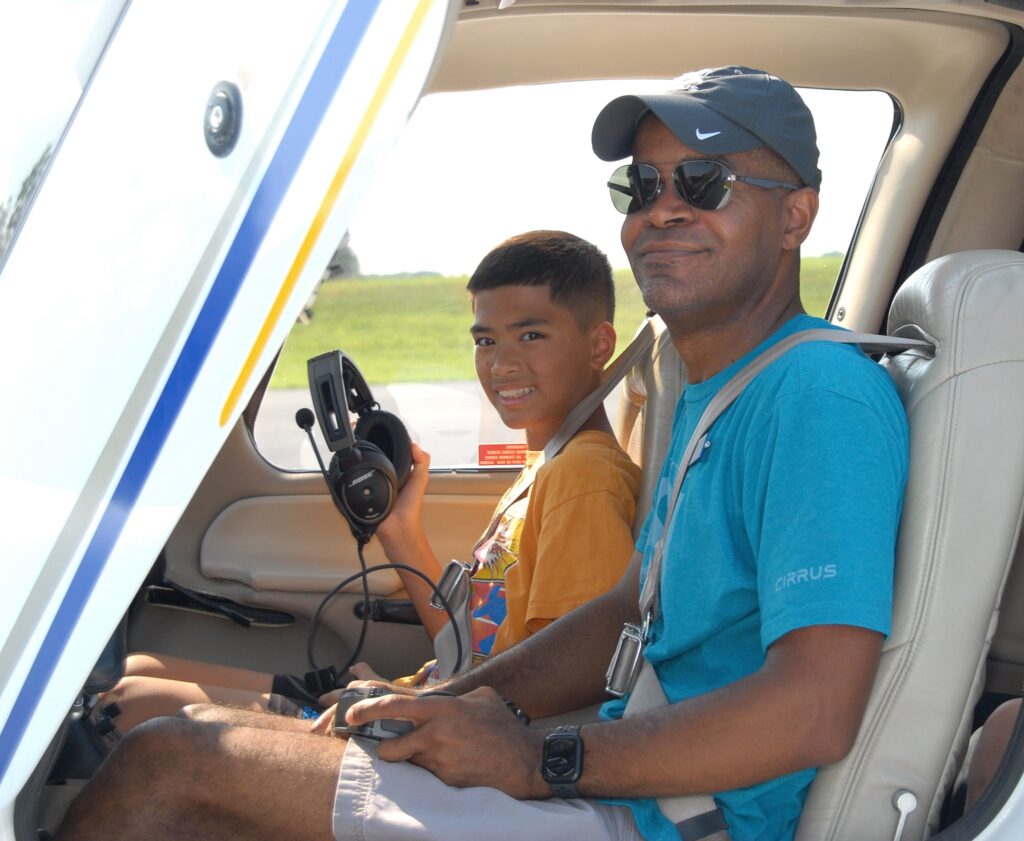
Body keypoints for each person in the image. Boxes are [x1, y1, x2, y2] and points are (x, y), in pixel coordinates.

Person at [57, 66, 908, 841]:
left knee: (171, 762)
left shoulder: (817, 395)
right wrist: (442, 704)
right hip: (622, 781)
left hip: (673, 818)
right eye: (640, 185)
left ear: (796, 215)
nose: (662, 208)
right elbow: (625, 607)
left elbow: (815, 709)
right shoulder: (719, 389)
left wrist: (540, 757)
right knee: (218, 739)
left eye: (703, 182)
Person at [100, 230, 642, 730]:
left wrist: (406, 707)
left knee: (127, 705)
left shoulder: (583, 477)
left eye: (530, 335)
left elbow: (564, 677)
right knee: (139, 667)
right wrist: (398, 529)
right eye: (486, 341)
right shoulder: (547, 465)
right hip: (431, 697)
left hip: (448, 729)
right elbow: (469, 646)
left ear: (598, 346)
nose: (501, 364)